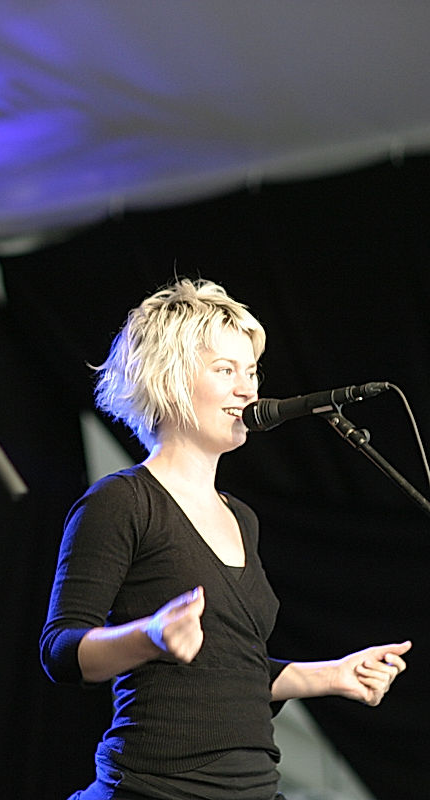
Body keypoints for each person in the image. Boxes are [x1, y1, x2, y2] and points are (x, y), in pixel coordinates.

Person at [39, 278, 410, 800]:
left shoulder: (241, 518)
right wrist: (149, 636)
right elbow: (60, 650)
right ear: (169, 381)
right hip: (156, 788)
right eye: (226, 370)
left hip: (253, 788)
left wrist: (331, 675)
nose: (248, 389)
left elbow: (231, 670)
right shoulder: (120, 502)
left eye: (251, 371)